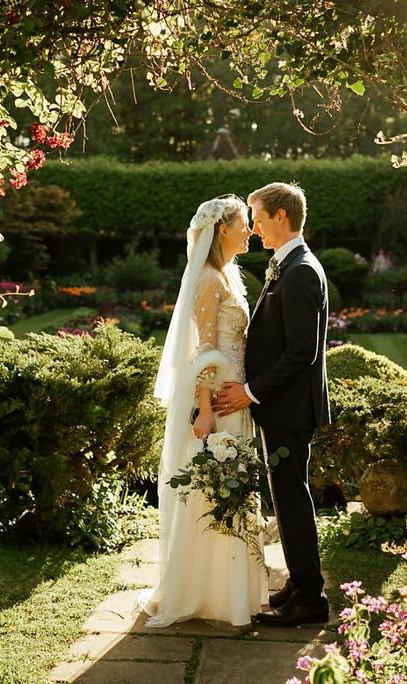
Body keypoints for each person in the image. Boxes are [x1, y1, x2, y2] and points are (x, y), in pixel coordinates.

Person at [138, 196, 268, 628]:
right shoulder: (209, 280)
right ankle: (206, 592)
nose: (249, 231)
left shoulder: (229, 275)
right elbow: (204, 351)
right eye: (244, 224)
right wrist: (206, 409)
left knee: (229, 487)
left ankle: (232, 591)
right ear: (223, 231)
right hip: (219, 402)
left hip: (237, 398)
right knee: (212, 490)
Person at [213, 182, 331, 626]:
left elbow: (302, 352)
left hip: (289, 407)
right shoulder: (289, 264)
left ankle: (311, 599)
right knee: (286, 496)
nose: (254, 226)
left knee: (292, 498)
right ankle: (300, 585)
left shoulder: (300, 270)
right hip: (284, 406)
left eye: (258, 217)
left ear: (281, 217)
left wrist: (250, 391)